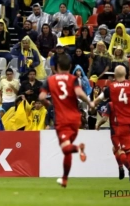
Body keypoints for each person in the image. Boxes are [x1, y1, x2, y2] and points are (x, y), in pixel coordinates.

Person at [39, 54, 94, 188]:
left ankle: (79, 149)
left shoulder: (50, 80)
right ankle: (64, 179)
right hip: (75, 119)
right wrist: (90, 102)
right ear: (70, 67)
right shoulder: (74, 79)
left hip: (62, 120)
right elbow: (80, 93)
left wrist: (48, 105)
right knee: (67, 149)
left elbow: (41, 97)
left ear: (56, 67)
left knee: (66, 148)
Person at [93, 65, 130, 185]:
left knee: (127, 151)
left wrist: (90, 103)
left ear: (114, 75)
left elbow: (98, 100)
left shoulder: (110, 87)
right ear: (125, 74)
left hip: (122, 123)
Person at [96, 101, 130, 179]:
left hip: (116, 132)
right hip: (128, 129)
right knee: (125, 149)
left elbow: (105, 118)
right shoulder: (126, 103)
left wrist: (98, 124)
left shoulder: (110, 104)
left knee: (120, 151)